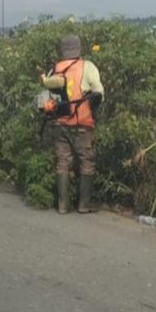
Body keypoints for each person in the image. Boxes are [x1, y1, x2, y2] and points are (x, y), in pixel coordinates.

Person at [40, 34, 104, 214]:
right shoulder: (87, 67)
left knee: (63, 162)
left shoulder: (55, 70)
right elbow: (99, 93)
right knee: (87, 162)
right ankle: (83, 205)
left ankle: (62, 206)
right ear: (78, 48)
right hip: (82, 124)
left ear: (62, 50)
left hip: (59, 124)